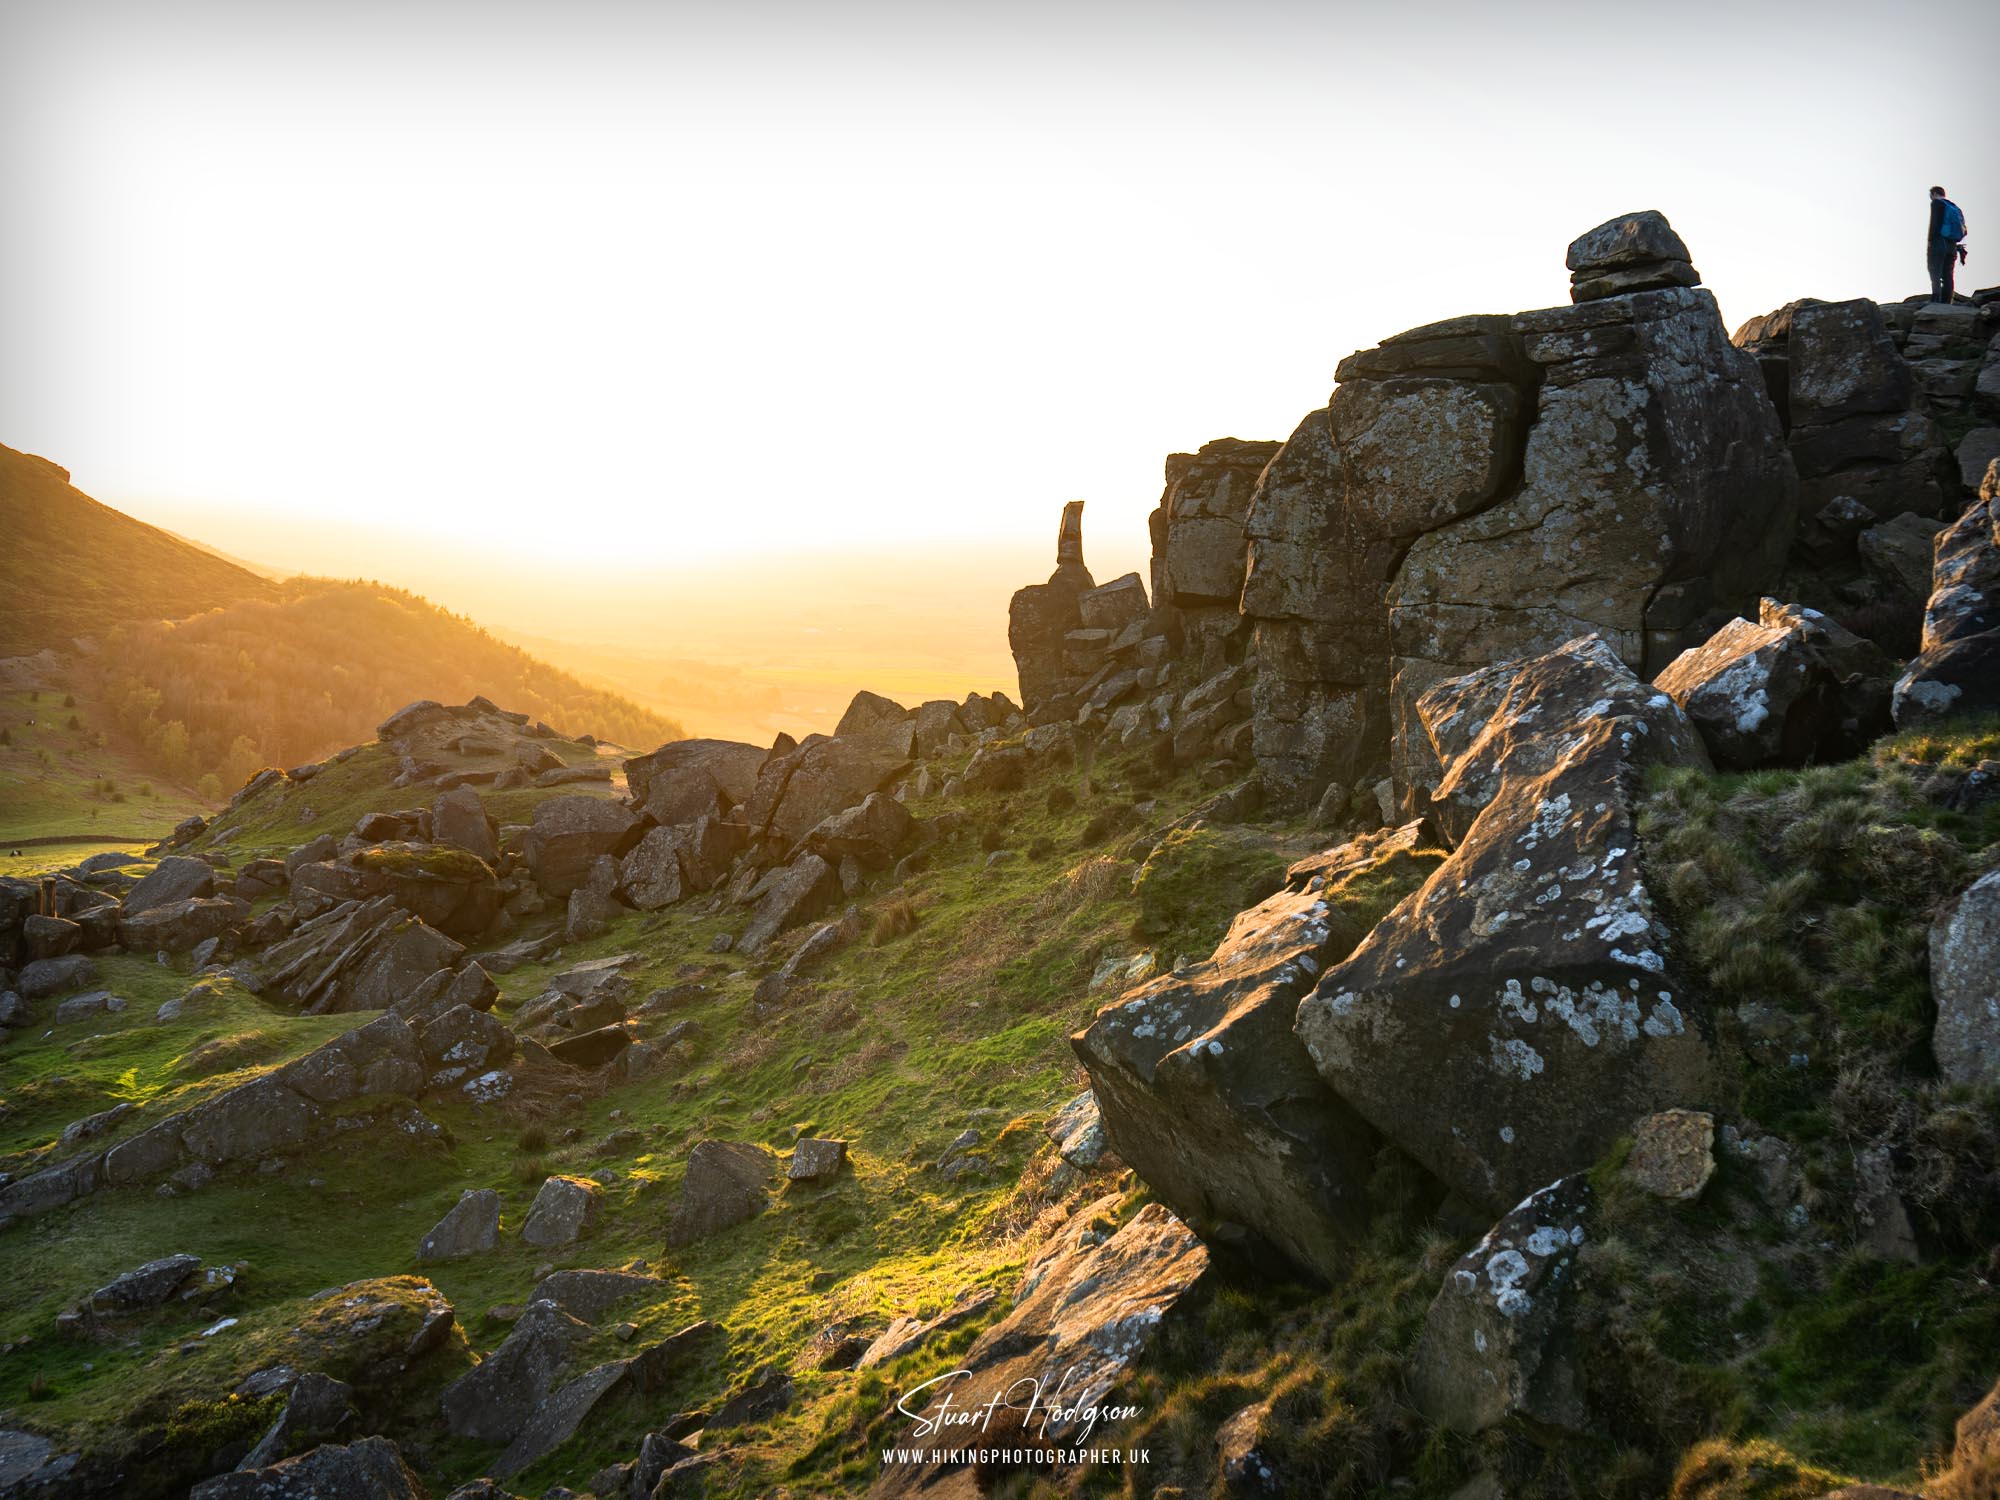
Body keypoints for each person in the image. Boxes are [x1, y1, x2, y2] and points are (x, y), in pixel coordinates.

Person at [1929, 185, 1967, 304]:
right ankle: (1947, 301)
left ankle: (1935, 298)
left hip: (1939, 243)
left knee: (1935, 271)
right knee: (1948, 274)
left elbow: (1935, 223)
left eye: (1931, 195)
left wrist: (1930, 240)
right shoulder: (1953, 206)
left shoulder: (1937, 203)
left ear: (1935, 194)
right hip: (1952, 245)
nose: (1931, 198)